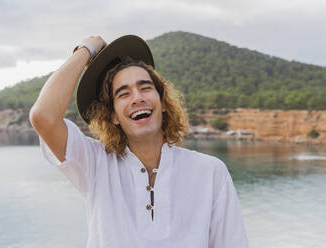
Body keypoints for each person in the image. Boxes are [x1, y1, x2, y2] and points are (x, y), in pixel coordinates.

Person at [29, 35, 249, 248]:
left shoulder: (210, 171)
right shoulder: (95, 164)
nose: (138, 98)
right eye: (123, 94)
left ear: (162, 103)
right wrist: (87, 48)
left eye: (145, 88)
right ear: (113, 116)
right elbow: (43, 116)